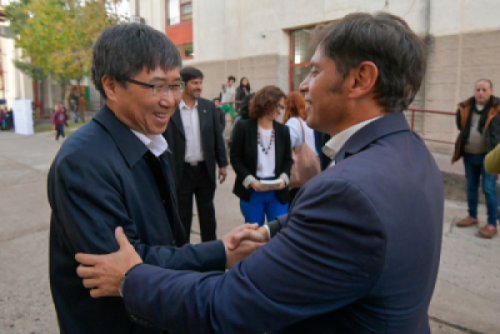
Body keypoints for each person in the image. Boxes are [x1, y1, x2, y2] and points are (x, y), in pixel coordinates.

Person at [76, 13, 444, 333]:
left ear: (361, 79)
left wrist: (130, 279)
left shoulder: (349, 192)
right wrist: (271, 231)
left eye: (314, 71)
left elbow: (226, 306)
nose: (302, 85)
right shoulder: (410, 153)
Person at [48, 23, 261, 334]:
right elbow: (125, 266)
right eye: (156, 87)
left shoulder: (151, 140)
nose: (170, 100)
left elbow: (168, 241)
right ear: (111, 86)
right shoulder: (82, 162)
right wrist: (221, 253)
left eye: (175, 86)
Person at [163, 67, 228, 243]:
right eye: (195, 83)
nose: (199, 86)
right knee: (182, 217)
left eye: (200, 82)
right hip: (181, 172)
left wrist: (222, 164)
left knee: (208, 215)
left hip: (204, 171)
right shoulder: (172, 108)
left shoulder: (208, 107)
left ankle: (210, 252)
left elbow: (217, 137)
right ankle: (185, 254)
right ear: (184, 84)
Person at [229, 85, 292, 226]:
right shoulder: (243, 127)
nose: (280, 111)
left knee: (277, 234)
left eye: (282, 107)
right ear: (266, 103)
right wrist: (251, 180)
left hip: (277, 192)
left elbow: (288, 160)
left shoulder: (283, 130)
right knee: (253, 234)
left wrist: (284, 179)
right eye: (278, 106)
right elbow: (235, 158)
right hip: (252, 190)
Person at [452, 79, 500, 238]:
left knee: (488, 189)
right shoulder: (465, 107)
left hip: (489, 156)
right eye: (478, 89)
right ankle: (472, 216)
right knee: (471, 187)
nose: (481, 93)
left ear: (491, 91)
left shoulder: (497, 108)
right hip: (469, 154)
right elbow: (461, 126)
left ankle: (492, 223)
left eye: (484, 90)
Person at [283, 91, 318, 202]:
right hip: (313, 164)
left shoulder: (293, 122)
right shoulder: (308, 121)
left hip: (299, 170)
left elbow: (287, 145)